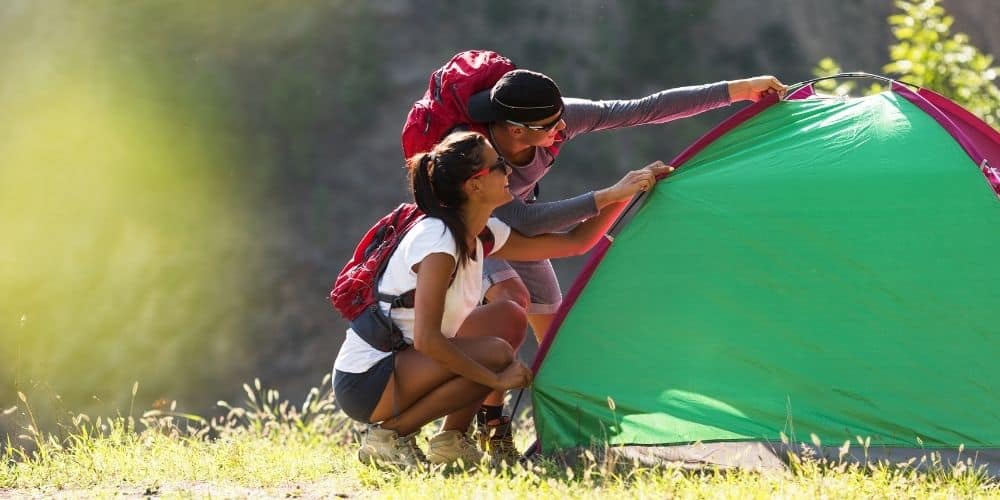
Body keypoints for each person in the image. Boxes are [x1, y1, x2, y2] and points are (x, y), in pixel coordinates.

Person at [462, 70, 787, 449]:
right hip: (472, 231)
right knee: (510, 302)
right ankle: (489, 428)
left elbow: (643, 109)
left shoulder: (556, 119)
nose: (562, 128)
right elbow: (523, 220)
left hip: (517, 231)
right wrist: (609, 194)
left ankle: (570, 428)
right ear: (516, 130)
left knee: (556, 337)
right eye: (551, 126)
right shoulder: (478, 151)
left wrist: (736, 90)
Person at [333, 131, 672, 468]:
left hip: (405, 364)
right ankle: (389, 436)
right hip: (368, 380)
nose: (509, 171)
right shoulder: (437, 242)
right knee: (496, 355)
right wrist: (493, 381)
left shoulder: (480, 233)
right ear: (474, 185)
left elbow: (575, 242)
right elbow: (427, 338)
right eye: (498, 166)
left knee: (507, 316)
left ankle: (451, 440)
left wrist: (624, 192)